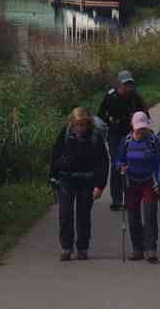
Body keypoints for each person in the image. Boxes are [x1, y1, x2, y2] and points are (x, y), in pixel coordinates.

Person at [49, 107, 110, 261]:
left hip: (87, 180)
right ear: (72, 122)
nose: (80, 128)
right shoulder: (65, 133)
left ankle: (82, 248)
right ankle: (66, 247)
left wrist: (100, 186)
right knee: (65, 215)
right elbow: (55, 154)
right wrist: (53, 177)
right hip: (66, 179)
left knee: (83, 216)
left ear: (89, 123)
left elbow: (103, 162)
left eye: (83, 124)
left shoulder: (95, 136)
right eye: (77, 124)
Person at [116, 111, 160, 263]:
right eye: (138, 128)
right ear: (132, 126)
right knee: (133, 217)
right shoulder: (126, 141)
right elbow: (118, 161)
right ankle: (137, 248)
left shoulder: (153, 141)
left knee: (150, 215)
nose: (141, 131)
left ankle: (151, 249)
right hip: (131, 183)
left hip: (149, 182)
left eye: (143, 128)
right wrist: (121, 167)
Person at [97, 69, 146, 210]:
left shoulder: (135, 97)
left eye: (130, 83)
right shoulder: (110, 96)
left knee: (129, 164)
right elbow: (100, 115)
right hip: (114, 134)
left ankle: (129, 197)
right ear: (119, 83)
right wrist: (107, 124)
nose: (128, 86)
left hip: (130, 134)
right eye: (125, 84)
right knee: (116, 166)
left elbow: (144, 114)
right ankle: (116, 199)